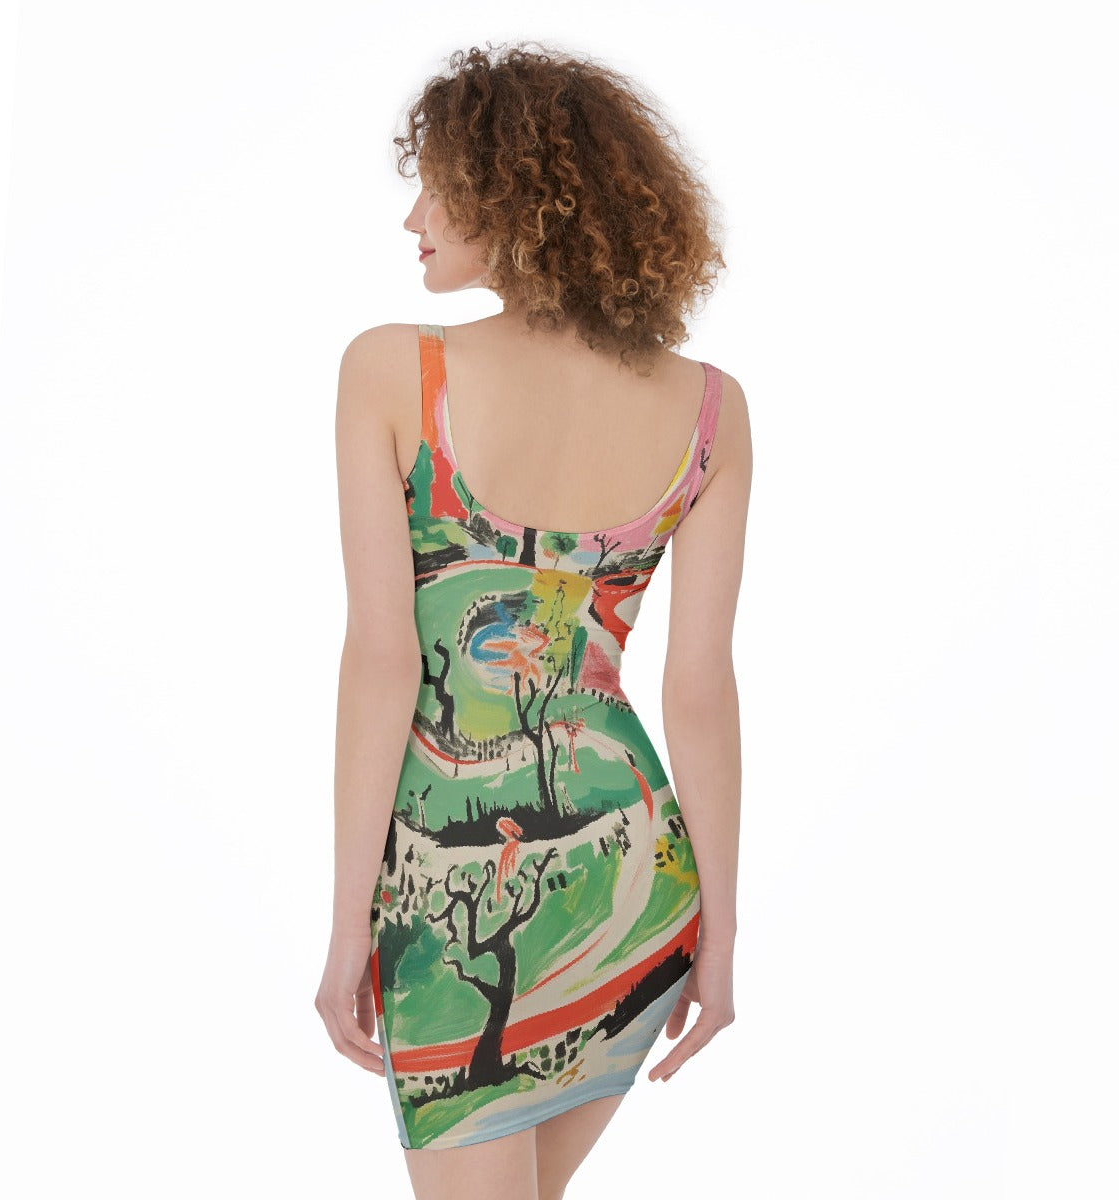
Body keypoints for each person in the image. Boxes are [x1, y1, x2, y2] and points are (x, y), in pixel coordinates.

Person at [316, 41, 751, 1200]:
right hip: (637, 883)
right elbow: (699, 690)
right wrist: (718, 934)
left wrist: (350, 923)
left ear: (519, 197)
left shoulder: (393, 373)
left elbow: (384, 663)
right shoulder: (711, 408)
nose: (413, 218)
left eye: (438, 187)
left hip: (453, 903)